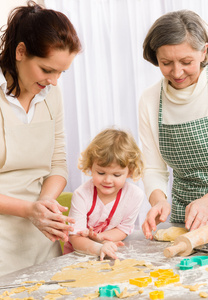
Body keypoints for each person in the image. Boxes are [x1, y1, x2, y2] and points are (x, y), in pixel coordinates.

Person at [0, 1, 81, 276]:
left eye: (61, 72)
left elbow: (58, 163)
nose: (55, 81)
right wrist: (29, 210)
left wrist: (44, 204)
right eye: (47, 70)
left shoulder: (51, 96)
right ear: (21, 51)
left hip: (40, 238)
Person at [139, 9, 208, 240]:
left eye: (186, 62)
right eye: (166, 63)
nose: (177, 72)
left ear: (203, 52)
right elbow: (153, 168)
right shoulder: (150, 99)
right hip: (185, 219)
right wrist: (159, 201)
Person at [64, 128, 145, 260]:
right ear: (91, 167)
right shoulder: (81, 195)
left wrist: (102, 239)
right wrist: (98, 247)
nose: (107, 180)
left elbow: (123, 229)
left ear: (130, 171)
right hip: (77, 256)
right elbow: (75, 238)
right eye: (101, 173)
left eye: (116, 175)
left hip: (107, 251)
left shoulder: (134, 196)